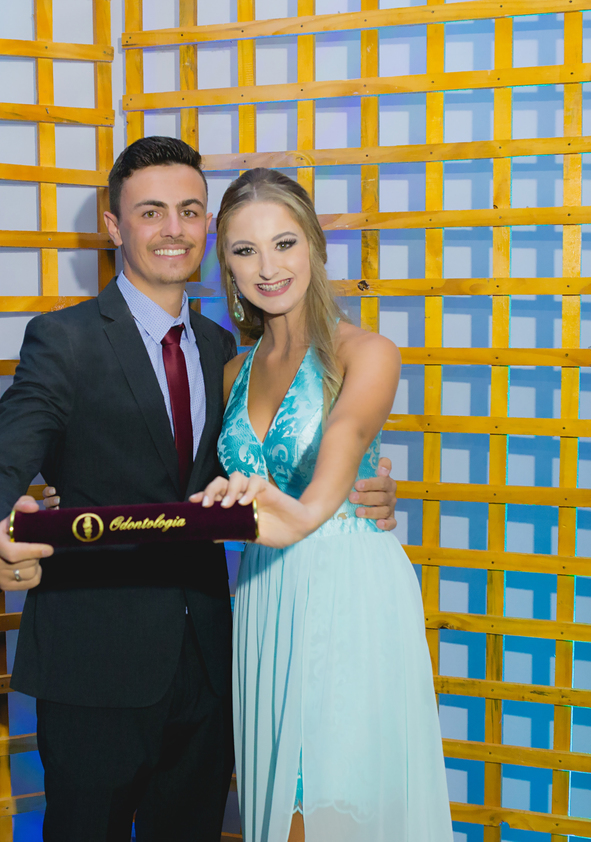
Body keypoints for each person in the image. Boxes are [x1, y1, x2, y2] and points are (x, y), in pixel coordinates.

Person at [0, 137, 399, 841]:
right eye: (151, 211)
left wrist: (357, 494)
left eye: (190, 211)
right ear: (113, 226)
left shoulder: (227, 353)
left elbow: (270, 463)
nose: (173, 228)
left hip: (216, 661)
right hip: (96, 664)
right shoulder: (63, 341)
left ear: (207, 228)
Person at [191, 168, 452, 842]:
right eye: (245, 251)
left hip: (348, 590)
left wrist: (307, 513)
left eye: (284, 243)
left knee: (334, 806)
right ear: (227, 268)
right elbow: (195, 488)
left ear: (315, 245)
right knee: (277, 810)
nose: (268, 267)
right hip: (263, 595)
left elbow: (347, 435)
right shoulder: (231, 371)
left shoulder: (368, 352)